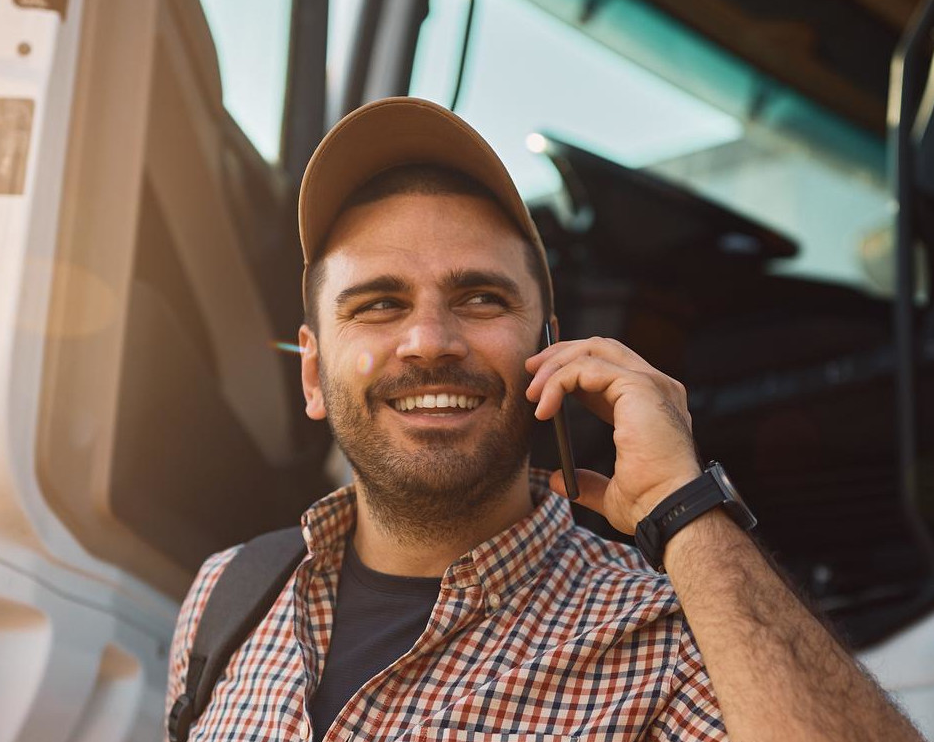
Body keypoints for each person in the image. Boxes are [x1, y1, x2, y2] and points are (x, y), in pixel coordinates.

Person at [165, 97, 923, 742]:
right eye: (379, 304)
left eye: (480, 298)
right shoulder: (228, 594)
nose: (430, 339)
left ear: (553, 352)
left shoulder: (672, 638)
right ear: (312, 372)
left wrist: (684, 506)